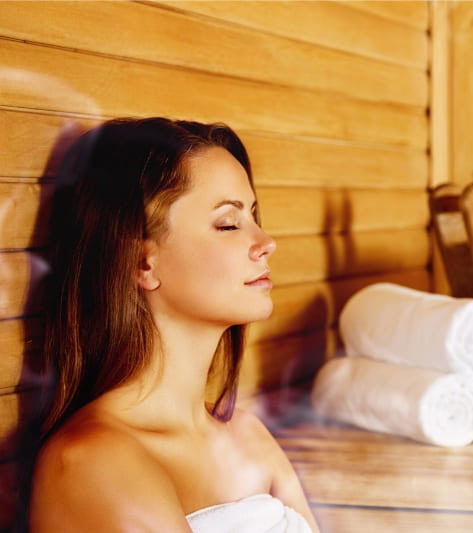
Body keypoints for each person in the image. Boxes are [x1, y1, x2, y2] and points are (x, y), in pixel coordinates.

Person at [27, 117, 321, 532]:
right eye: (228, 223)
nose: (266, 241)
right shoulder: (92, 461)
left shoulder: (248, 437)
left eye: (253, 216)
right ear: (142, 262)